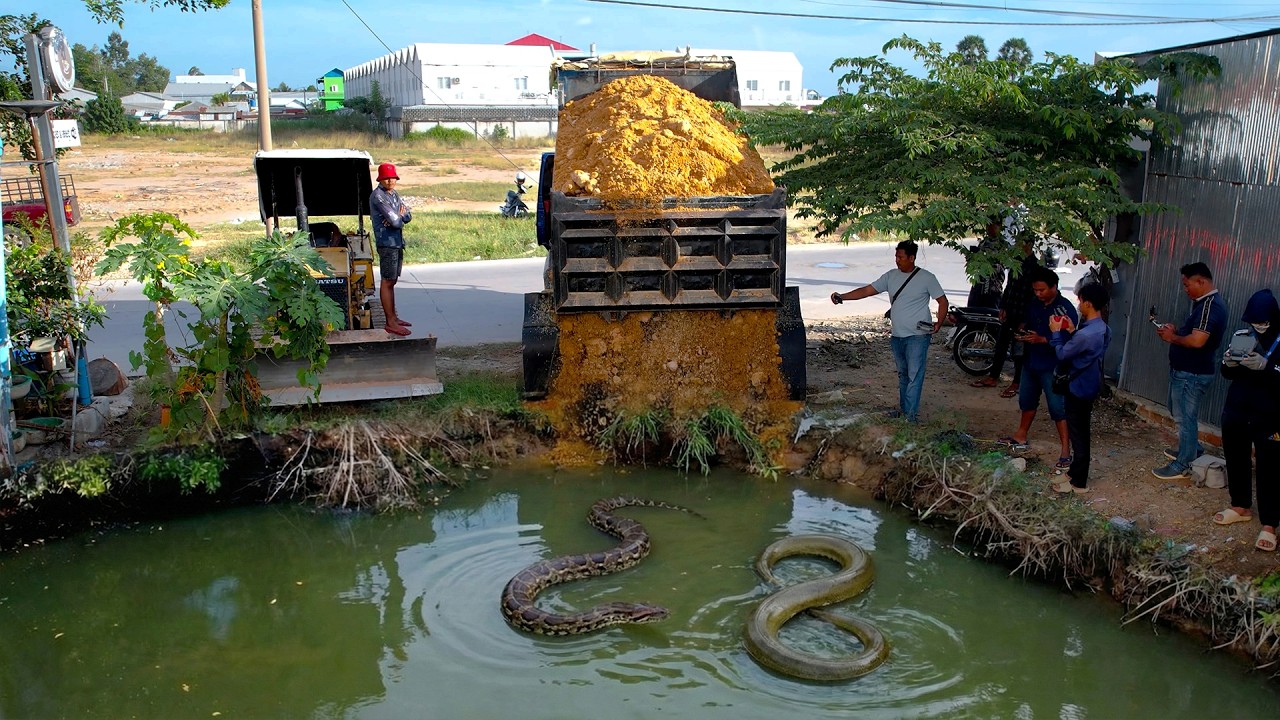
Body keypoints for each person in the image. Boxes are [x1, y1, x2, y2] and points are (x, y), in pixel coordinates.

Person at [830, 240, 948, 423]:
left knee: (914, 376)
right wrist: (842, 297)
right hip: (897, 336)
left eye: (900, 257)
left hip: (918, 336)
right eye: (896, 256)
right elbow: (867, 290)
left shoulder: (927, 278)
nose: (897, 260)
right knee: (903, 375)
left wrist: (939, 322)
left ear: (911, 258)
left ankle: (910, 418)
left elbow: (942, 301)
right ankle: (905, 411)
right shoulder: (891, 276)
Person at [1213, 288, 1280, 552]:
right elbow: (1226, 373)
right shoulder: (1244, 335)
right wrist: (1228, 363)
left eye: (1262, 322)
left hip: (1271, 415)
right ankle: (1240, 505)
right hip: (1238, 409)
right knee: (1236, 456)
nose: (1257, 327)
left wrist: (1268, 367)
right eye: (1253, 322)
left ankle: (1270, 524)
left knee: (1270, 467)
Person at [1152, 262, 1228, 480]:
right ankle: (1192, 450)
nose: (1185, 289)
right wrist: (1176, 331)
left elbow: (1197, 341)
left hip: (1192, 374)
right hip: (1186, 371)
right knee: (1180, 414)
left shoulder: (1210, 306)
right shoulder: (1202, 304)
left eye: (1187, 285)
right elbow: (1194, 333)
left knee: (1185, 419)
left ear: (1201, 282)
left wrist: (1172, 338)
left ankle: (1184, 463)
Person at [997, 267, 1077, 468]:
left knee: (1058, 407)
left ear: (1054, 287)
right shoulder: (1034, 303)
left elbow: (1069, 340)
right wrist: (1023, 331)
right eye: (1035, 290)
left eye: (1042, 290)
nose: (1038, 294)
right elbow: (1028, 322)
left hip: (1053, 365)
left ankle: (1066, 448)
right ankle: (1021, 435)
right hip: (1032, 361)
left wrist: (1042, 339)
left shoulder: (1064, 308)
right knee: (1027, 400)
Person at [1047, 282, 1112, 494]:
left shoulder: (1087, 334)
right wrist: (1071, 329)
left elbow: (1063, 354)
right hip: (1089, 383)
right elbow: (1087, 350)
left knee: (1078, 432)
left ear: (1089, 303)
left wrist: (1056, 333)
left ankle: (1078, 482)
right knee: (1080, 429)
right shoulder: (1102, 329)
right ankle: (1075, 471)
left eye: (1081, 300)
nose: (1079, 304)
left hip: (1078, 386)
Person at [972, 237, 1038, 397]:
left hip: (1024, 315)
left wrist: (1026, 320)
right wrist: (1002, 306)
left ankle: (1017, 382)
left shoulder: (1034, 267)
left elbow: (1033, 296)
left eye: (1020, 243)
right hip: (1010, 311)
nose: (1017, 246)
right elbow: (1009, 286)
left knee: (1019, 351)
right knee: (1001, 345)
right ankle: (993, 376)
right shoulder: (1016, 262)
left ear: (1028, 244)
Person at [369, 162, 413, 336]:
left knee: (392, 280)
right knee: (387, 281)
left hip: (396, 241)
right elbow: (396, 221)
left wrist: (399, 215)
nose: (390, 181)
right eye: (386, 178)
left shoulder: (394, 194)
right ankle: (390, 321)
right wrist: (398, 215)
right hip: (387, 242)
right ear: (380, 179)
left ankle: (394, 317)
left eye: (392, 178)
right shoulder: (378, 196)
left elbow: (407, 216)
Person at [965, 219, 1006, 309]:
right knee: (973, 312)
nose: (990, 229)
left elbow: (999, 264)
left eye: (993, 226)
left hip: (993, 287)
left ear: (999, 227)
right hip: (979, 285)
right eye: (988, 226)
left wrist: (983, 258)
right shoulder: (983, 242)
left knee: (991, 315)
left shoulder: (1002, 244)